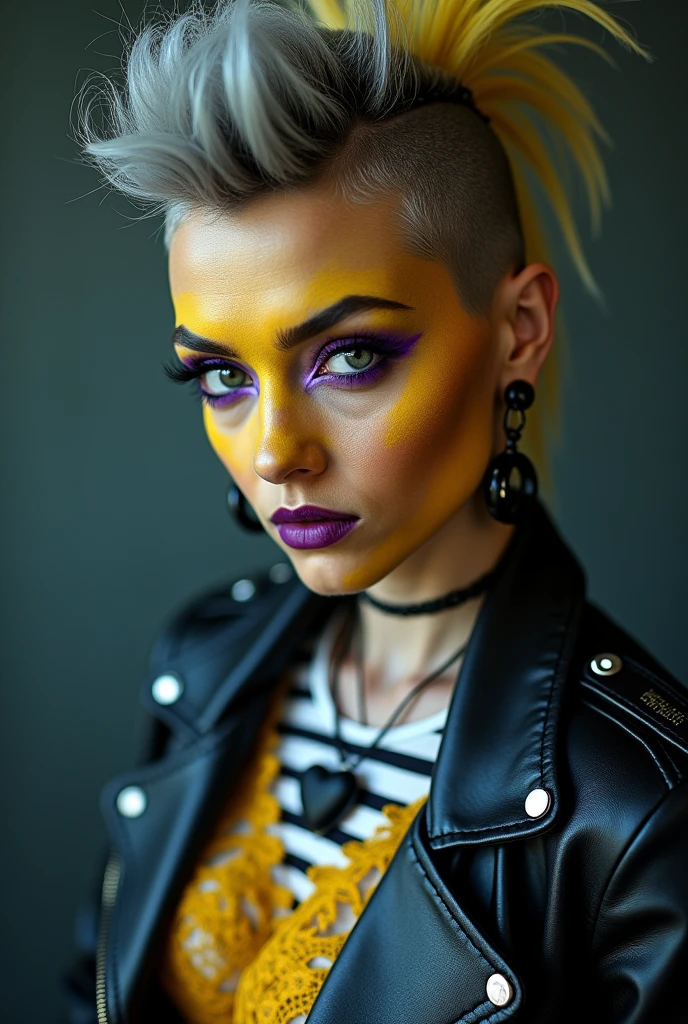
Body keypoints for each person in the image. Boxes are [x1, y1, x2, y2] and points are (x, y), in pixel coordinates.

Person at [66, 0, 688, 1021]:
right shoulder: (203, 665)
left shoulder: (634, 801)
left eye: (349, 357)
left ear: (517, 329)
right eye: (221, 377)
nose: (274, 452)